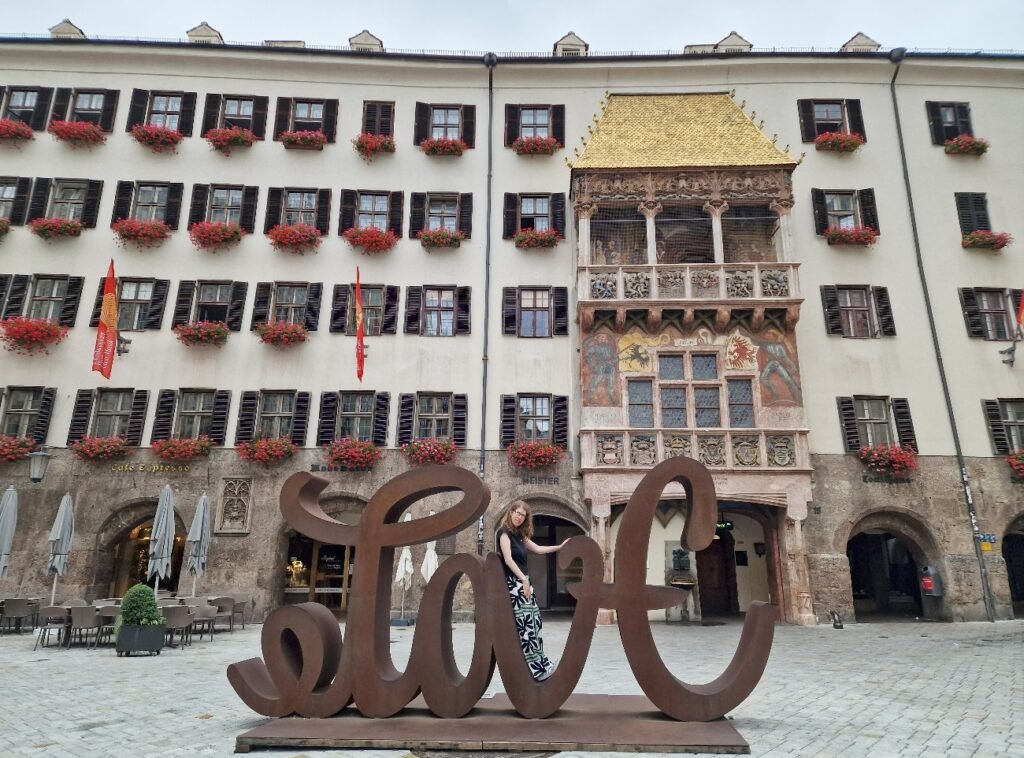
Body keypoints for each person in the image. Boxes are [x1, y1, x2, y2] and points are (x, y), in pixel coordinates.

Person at [496, 501, 568, 681]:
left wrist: (559, 547)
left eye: (523, 516)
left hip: (524, 585)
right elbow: (508, 560)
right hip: (515, 585)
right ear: (511, 512)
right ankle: (535, 670)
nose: (519, 517)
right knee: (526, 629)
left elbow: (539, 549)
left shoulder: (519, 536)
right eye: (517, 513)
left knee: (535, 625)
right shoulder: (503, 533)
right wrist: (523, 580)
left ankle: (543, 664)